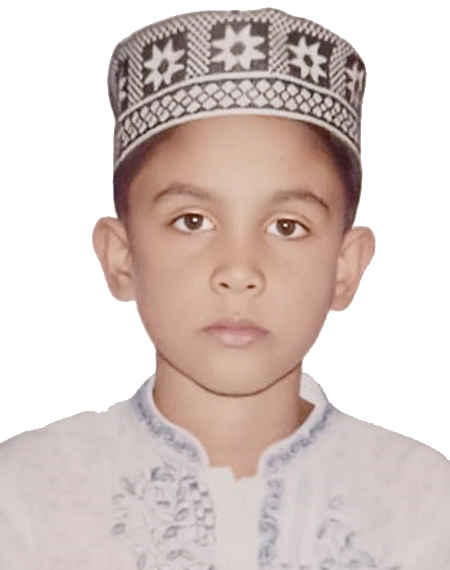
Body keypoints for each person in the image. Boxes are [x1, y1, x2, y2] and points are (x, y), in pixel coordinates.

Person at [0, 7, 449, 569]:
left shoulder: (424, 509)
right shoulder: (24, 500)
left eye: (287, 227)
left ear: (344, 267)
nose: (239, 270)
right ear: (121, 257)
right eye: (193, 221)